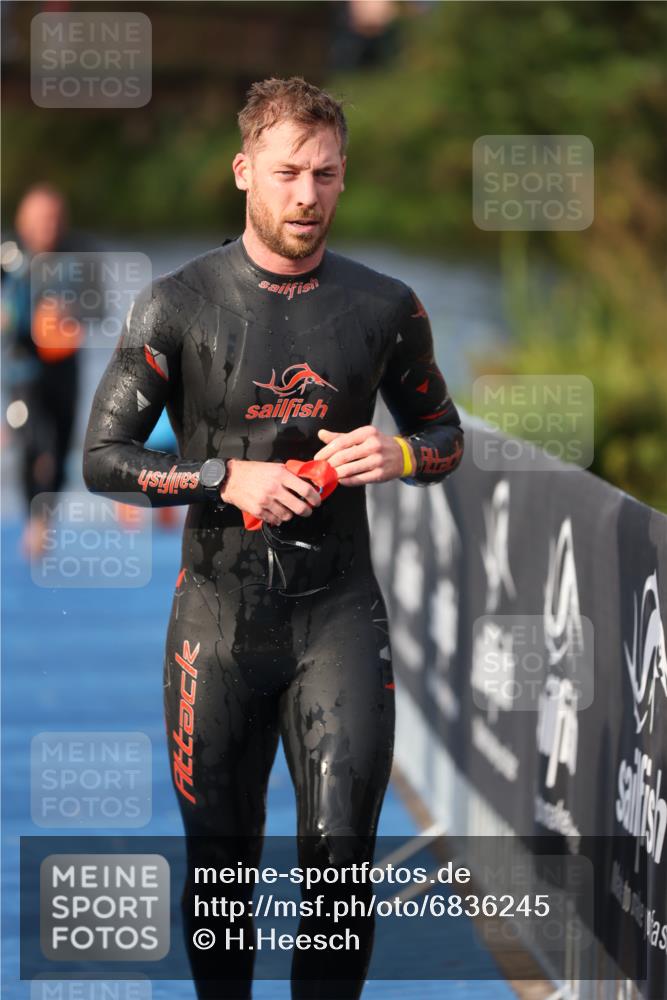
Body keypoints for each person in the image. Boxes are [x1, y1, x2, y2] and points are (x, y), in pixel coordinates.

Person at [82, 77, 464, 999]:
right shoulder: (174, 305)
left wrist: (401, 454)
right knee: (222, 873)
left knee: (339, 871)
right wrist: (223, 476)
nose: (307, 195)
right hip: (215, 623)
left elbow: (445, 437)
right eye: (288, 171)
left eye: (326, 174)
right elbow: (103, 458)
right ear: (243, 170)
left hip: (336, 617)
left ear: (343, 178)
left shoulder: (384, 307)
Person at [1, 184, 82, 559]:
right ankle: (33, 520)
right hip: (22, 369)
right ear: (23, 221)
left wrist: (74, 313)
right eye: (39, 219)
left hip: (64, 368)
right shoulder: (8, 257)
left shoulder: (77, 259)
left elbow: (101, 309)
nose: (46, 226)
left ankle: (45, 518)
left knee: (62, 446)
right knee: (36, 443)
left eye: (52, 219)